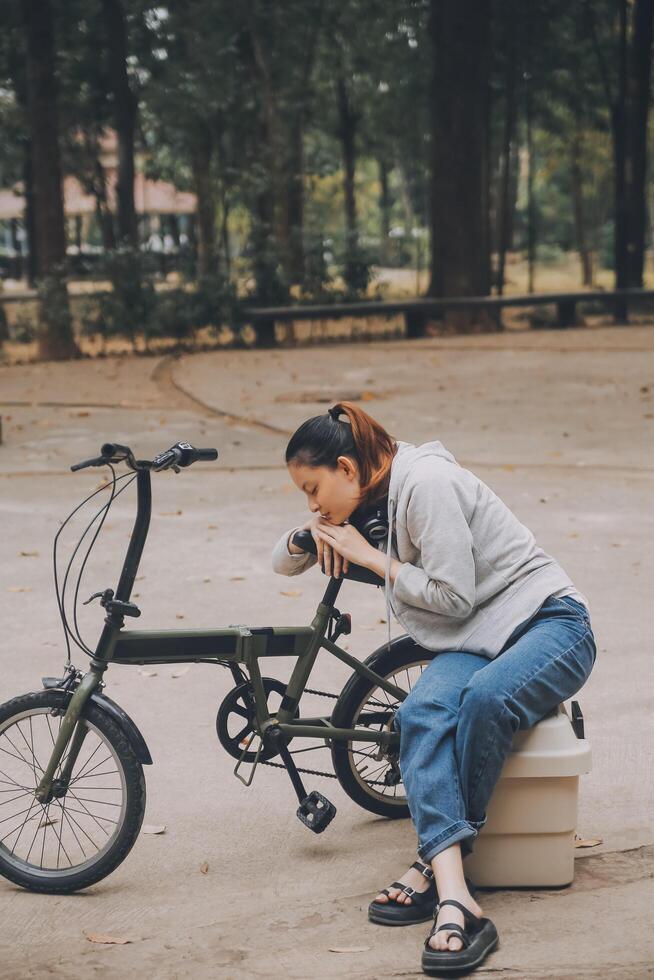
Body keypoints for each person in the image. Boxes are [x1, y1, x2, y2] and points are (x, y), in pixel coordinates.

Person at [271, 401, 596, 976]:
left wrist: (368, 556)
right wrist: (307, 533)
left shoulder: (427, 484)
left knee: (486, 700)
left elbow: (453, 597)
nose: (313, 502)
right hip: (472, 640)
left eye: (313, 488)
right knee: (419, 713)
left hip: (551, 623)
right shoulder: (367, 496)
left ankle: (436, 871)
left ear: (347, 467)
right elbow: (282, 563)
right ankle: (458, 898)